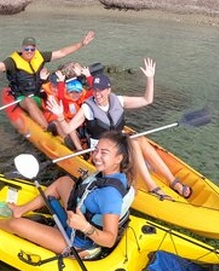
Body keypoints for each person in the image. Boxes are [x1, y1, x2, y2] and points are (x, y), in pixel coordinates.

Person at [0, 131, 136, 258]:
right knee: (64, 181)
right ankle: (21, 209)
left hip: (79, 241)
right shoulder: (111, 174)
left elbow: (109, 239)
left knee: (16, 225)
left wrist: (84, 226)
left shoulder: (110, 195)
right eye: (96, 150)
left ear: (118, 159)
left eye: (104, 153)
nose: (96, 156)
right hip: (77, 215)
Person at [48, 58, 192, 199]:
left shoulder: (118, 100)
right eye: (95, 90)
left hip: (119, 143)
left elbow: (147, 100)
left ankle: (173, 181)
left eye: (101, 90)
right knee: (133, 142)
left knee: (139, 139)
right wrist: (60, 116)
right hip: (101, 150)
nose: (97, 94)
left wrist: (150, 78)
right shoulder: (87, 108)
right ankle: (152, 187)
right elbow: (67, 130)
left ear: (108, 89)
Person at [0, 32, 96, 129]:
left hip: (40, 91)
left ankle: (74, 121)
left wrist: (81, 44)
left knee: (59, 92)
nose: (29, 51)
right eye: (26, 49)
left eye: (32, 49)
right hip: (23, 96)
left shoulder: (40, 56)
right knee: (28, 101)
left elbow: (62, 52)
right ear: (22, 49)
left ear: (35, 49)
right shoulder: (12, 62)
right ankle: (47, 128)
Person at [41, 62, 93, 149]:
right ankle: (78, 149)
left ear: (81, 92)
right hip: (68, 124)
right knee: (70, 128)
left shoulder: (83, 96)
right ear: (68, 92)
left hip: (81, 125)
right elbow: (61, 96)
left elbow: (92, 90)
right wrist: (61, 82)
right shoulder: (65, 99)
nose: (74, 95)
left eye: (77, 92)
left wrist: (88, 76)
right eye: (71, 92)